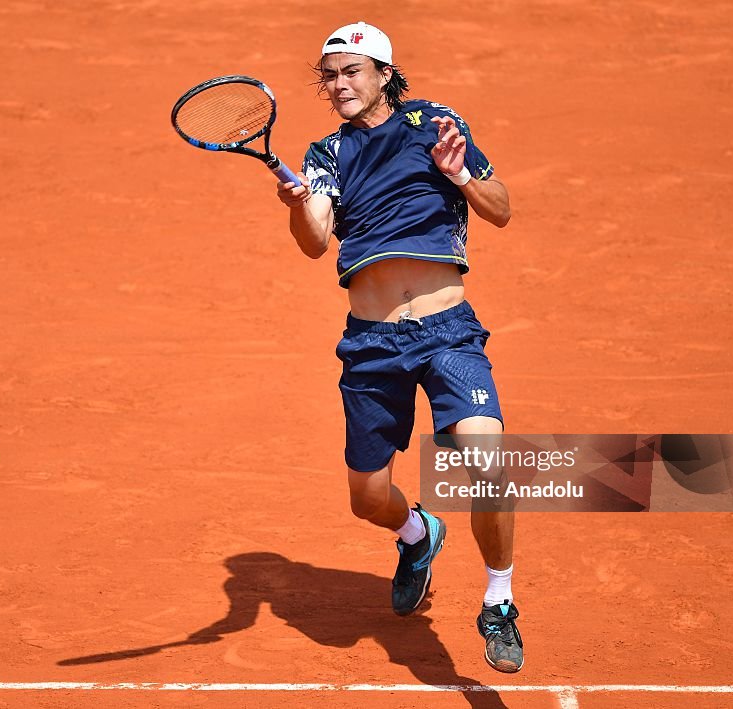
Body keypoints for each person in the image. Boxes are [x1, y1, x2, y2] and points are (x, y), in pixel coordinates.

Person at [275, 21, 522, 673]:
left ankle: (498, 599)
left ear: (385, 72)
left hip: (448, 333)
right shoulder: (326, 155)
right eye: (328, 76)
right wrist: (299, 204)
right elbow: (314, 240)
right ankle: (418, 532)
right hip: (371, 343)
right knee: (367, 495)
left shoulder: (434, 124)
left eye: (351, 70)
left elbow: (500, 208)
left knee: (486, 462)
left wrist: (461, 174)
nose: (338, 85)